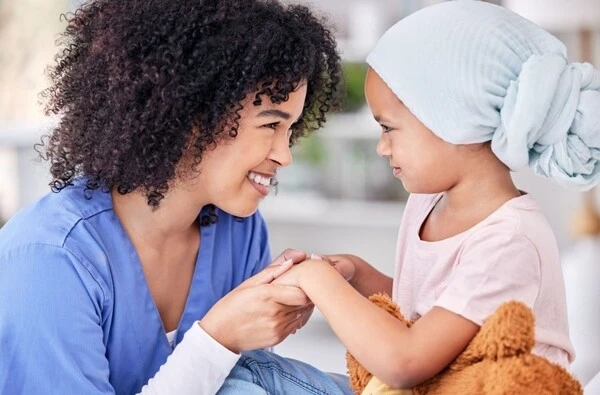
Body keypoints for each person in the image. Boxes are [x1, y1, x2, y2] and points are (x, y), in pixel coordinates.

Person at [221, 0, 600, 392]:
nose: (382, 148)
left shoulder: (510, 240)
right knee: (248, 372)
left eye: (388, 128)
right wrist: (356, 273)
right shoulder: (429, 202)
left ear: (453, 120)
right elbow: (431, 312)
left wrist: (319, 281)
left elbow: (406, 362)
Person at [0, 0, 346, 393]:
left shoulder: (240, 233)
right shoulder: (49, 259)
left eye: (291, 129)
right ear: (192, 113)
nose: (285, 155)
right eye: (270, 124)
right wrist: (216, 339)